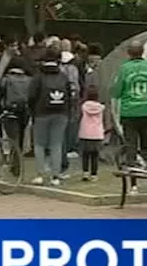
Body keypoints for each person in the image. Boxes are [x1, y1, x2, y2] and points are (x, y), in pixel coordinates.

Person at [111, 41, 147, 194]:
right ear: (143, 52)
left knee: (131, 149)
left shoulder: (124, 69)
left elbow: (116, 92)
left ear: (129, 53)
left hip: (130, 113)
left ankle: (133, 185)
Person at [27, 49, 73, 186]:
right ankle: (56, 176)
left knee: (40, 144)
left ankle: (40, 174)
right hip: (61, 114)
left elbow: (31, 96)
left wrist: (32, 111)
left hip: (41, 113)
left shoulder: (38, 76)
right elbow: (70, 96)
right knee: (56, 144)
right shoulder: (63, 76)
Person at [0, 56, 34, 158]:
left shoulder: (6, 79)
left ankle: (13, 156)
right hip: (24, 110)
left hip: (10, 109)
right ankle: (18, 153)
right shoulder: (30, 79)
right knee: (21, 133)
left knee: (12, 135)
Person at [58, 48, 82, 177]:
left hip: (62, 99)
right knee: (72, 123)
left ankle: (66, 147)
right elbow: (76, 84)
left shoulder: (60, 70)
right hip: (72, 99)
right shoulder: (73, 69)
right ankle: (70, 146)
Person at [77, 84, 107, 181]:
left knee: (85, 154)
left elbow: (79, 117)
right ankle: (94, 174)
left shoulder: (83, 106)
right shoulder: (101, 107)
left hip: (85, 133)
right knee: (95, 155)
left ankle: (85, 173)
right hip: (97, 134)